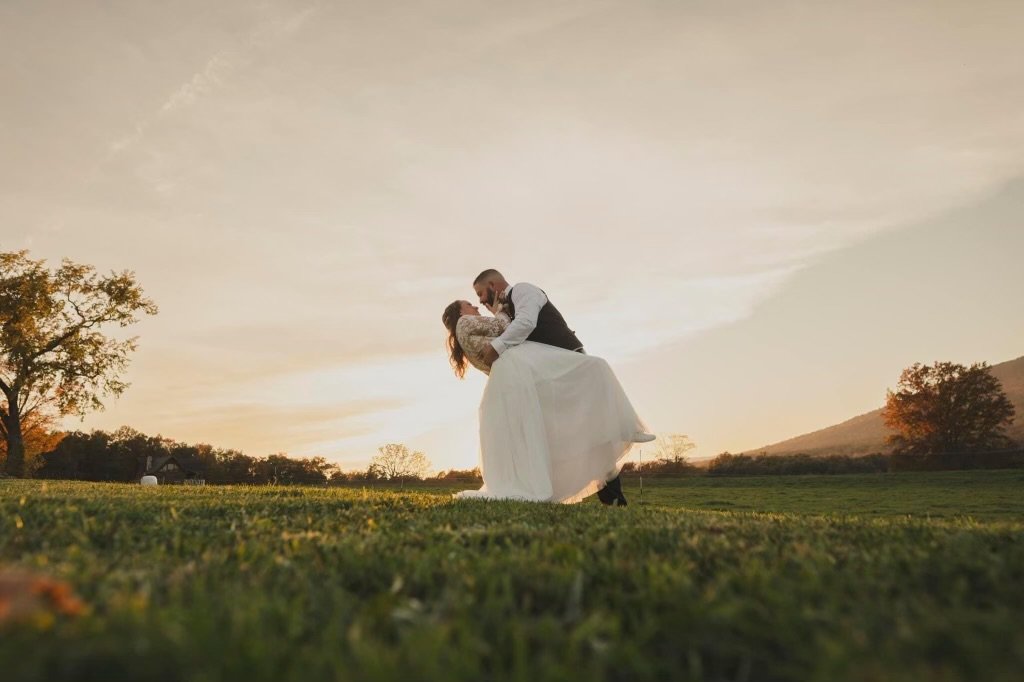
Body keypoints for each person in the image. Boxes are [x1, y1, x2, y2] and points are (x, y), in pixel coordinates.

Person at [441, 269, 655, 505]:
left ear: (493, 284)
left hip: (565, 361)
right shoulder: (491, 316)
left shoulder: (523, 290)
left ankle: (613, 482)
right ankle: (606, 493)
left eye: (481, 293)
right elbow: (509, 334)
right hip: (544, 374)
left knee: (592, 409)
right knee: (564, 433)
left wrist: (497, 345)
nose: (480, 301)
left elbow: (526, 322)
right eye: (474, 299)